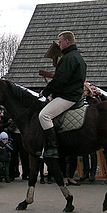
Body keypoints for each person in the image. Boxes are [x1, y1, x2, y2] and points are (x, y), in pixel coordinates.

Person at [38, 31, 87, 159]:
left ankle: (53, 148)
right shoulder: (77, 56)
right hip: (74, 94)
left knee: (44, 115)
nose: (59, 44)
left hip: (68, 96)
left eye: (60, 41)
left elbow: (60, 80)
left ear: (67, 41)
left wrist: (45, 91)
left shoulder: (68, 58)